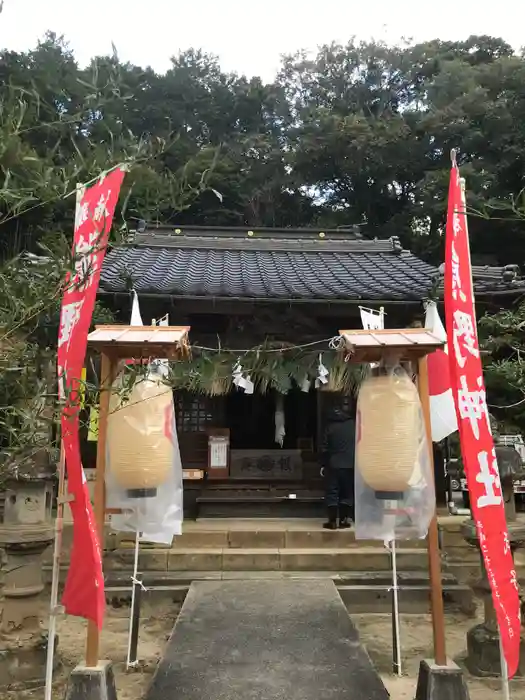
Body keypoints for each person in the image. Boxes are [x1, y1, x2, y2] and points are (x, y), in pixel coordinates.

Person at [321, 406, 356, 530]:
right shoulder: (353, 425)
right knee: (347, 492)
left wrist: (323, 464)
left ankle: (332, 521)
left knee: (332, 492)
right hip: (350, 464)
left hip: (333, 464)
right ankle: (343, 520)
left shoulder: (330, 427)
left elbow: (324, 448)